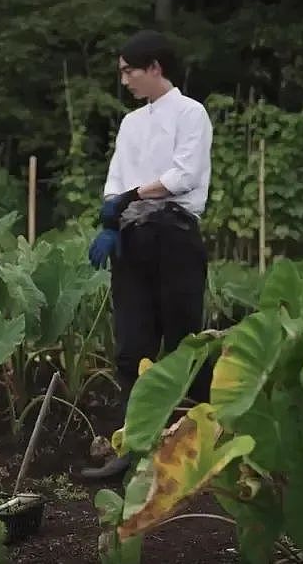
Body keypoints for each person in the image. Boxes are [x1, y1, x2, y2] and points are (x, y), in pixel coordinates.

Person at [80, 30, 213, 480]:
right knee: (131, 346)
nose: (125, 80)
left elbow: (184, 175)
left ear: (155, 67)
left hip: (174, 234)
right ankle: (134, 452)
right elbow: (115, 182)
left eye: (129, 70)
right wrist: (111, 222)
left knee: (181, 343)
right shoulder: (131, 124)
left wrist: (131, 196)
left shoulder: (191, 114)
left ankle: (191, 455)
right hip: (133, 238)